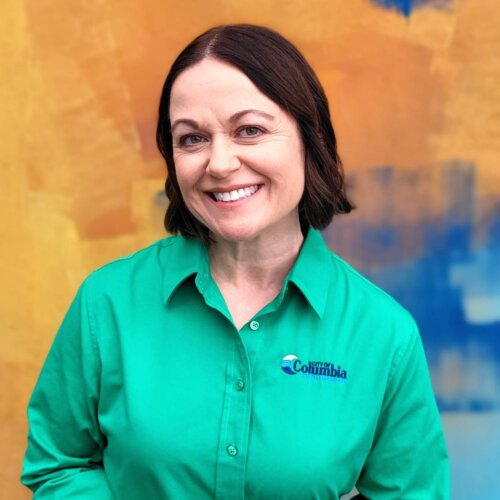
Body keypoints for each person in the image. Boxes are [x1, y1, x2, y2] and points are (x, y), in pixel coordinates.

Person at [21, 24, 449, 499]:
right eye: (192, 139)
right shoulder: (107, 302)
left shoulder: (384, 333)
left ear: (310, 139)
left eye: (250, 130)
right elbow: (58, 466)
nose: (220, 163)